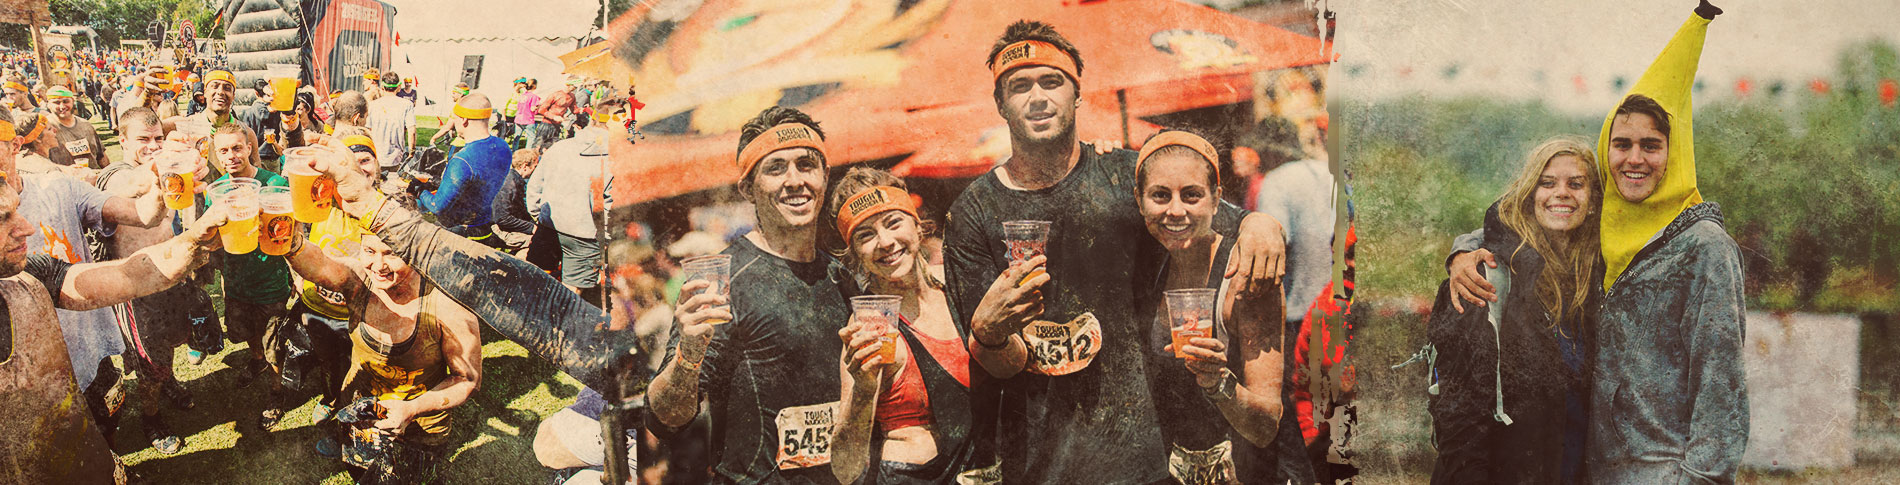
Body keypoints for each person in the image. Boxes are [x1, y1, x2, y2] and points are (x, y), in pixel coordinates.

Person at [940, 20, 1284, 483]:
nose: (1038, 97)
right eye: (1019, 86)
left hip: (1146, 456)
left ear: (1077, 94)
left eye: (1052, 81)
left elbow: (1206, 214)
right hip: (1043, 464)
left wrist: (1259, 223)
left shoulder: (1125, 176)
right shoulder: (972, 213)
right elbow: (1000, 366)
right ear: (1000, 103)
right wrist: (989, 333)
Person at [1443, 3, 1746, 482]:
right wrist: (1464, 250)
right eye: (1621, 145)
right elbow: (1532, 224)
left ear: (1676, 152)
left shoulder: (1704, 246)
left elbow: (1721, 387)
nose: (1634, 159)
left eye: (1652, 146)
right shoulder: (1609, 231)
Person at [645, 106, 856, 483]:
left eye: (806, 165)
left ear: (825, 176)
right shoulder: (725, 282)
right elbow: (664, 420)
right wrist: (687, 355)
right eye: (775, 168)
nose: (795, 180)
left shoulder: (844, 278)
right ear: (747, 189)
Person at [0, 169, 226, 484]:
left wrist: (192, 242)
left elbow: (127, 276)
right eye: (3, 218)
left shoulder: (30, 275)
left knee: (104, 432)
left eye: (16, 211)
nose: (27, 227)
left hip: (73, 425)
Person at [1133, 130, 1313, 484]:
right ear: (1139, 201)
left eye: (1191, 195)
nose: (1175, 210)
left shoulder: (1246, 274)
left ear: (1217, 200)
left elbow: (1266, 425)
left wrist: (1217, 382)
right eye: (1160, 195)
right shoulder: (1146, 265)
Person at [1428, 137, 1601, 484]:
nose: (1561, 193)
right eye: (1547, 183)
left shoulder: (1594, 277)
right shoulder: (1485, 277)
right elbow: (1459, 418)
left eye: (1576, 184)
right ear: (1529, 196)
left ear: (1593, 200)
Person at [826, 168, 994, 484]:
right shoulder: (871, 324)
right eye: (865, 235)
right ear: (855, 254)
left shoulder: (956, 289)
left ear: (917, 226)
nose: (885, 242)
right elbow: (845, 469)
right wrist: (863, 389)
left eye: (893, 223)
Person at [283, 220, 483, 484]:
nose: (378, 266)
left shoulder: (447, 305)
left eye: (392, 253)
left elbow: (467, 379)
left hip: (418, 429)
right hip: (359, 410)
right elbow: (318, 265)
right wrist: (286, 239)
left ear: (416, 250)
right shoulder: (359, 281)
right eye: (370, 251)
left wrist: (411, 409)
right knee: (360, 470)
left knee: (406, 479)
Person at [95, 109, 220, 454]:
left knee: (171, 344)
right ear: (122, 140)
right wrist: (159, 164)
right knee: (148, 364)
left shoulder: (170, 172)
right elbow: (130, 184)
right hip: (136, 292)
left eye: (158, 139)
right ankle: (151, 419)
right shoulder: (114, 175)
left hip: (172, 279)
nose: (152, 146)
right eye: (143, 139)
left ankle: (170, 382)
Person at [206, 123, 300, 429]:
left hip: (270, 282)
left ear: (249, 148)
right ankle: (256, 361)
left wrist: (296, 273)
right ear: (216, 154)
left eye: (237, 148)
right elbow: (213, 240)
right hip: (236, 283)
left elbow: (293, 227)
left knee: (275, 344)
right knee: (246, 332)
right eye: (223, 150)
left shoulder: (272, 183)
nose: (231, 156)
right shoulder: (217, 190)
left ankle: (276, 394)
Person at [525, 101, 616, 302]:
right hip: (584, 235)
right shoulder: (616, 159)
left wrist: (538, 216)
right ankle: (556, 319)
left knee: (537, 280)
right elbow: (612, 206)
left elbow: (534, 187)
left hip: (548, 224)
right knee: (570, 293)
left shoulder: (560, 147)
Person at [416, 93, 512, 242]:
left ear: (464, 120)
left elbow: (437, 206)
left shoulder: (462, 160)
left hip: (458, 233)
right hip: (484, 226)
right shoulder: (503, 146)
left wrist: (419, 190)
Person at [46, 86, 107, 171]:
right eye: (57, 103)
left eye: (66, 101)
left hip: (92, 176)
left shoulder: (86, 125)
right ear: (48, 105)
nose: (62, 106)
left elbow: (101, 156)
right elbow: (41, 163)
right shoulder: (45, 128)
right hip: (64, 178)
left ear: (73, 101)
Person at [367, 72, 416, 178]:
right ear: (399, 86)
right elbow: (412, 131)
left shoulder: (372, 105)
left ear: (382, 86)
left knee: (376, 184)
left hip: (376, 155)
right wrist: (412, 151)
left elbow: (367, 130)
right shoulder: (407, 105)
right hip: (396, 156)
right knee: (393, 183)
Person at [491, 148, 538, 251]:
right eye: (535, 167)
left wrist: (534, 225)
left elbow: (520, 211)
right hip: (497, 229)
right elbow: (502, 218)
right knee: (539, 243)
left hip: (504, 226)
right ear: (525, 166)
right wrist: (531, 228)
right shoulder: (510, 184)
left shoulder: (515, 180)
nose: (536, 171)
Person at [533, 80, 576, 149]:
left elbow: (574, 110)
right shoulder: (555, 95)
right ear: (568, 84)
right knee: (538, 146)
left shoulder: (572, 97)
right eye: (574, 86)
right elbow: (541, 109)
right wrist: (554, 117)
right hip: (546, 124)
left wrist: (585, 109)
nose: (576, 88)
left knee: (551, 148)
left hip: (557, 126)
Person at [513, 79, 542, 150]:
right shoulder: (534, 96)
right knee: (531, 137)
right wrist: (538, 106)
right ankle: (527, 152)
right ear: (534, 86)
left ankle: (514, 151)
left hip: (518, 119)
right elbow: (532, 109)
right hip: (528, 119)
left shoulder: (522, 95)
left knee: (517, 136)